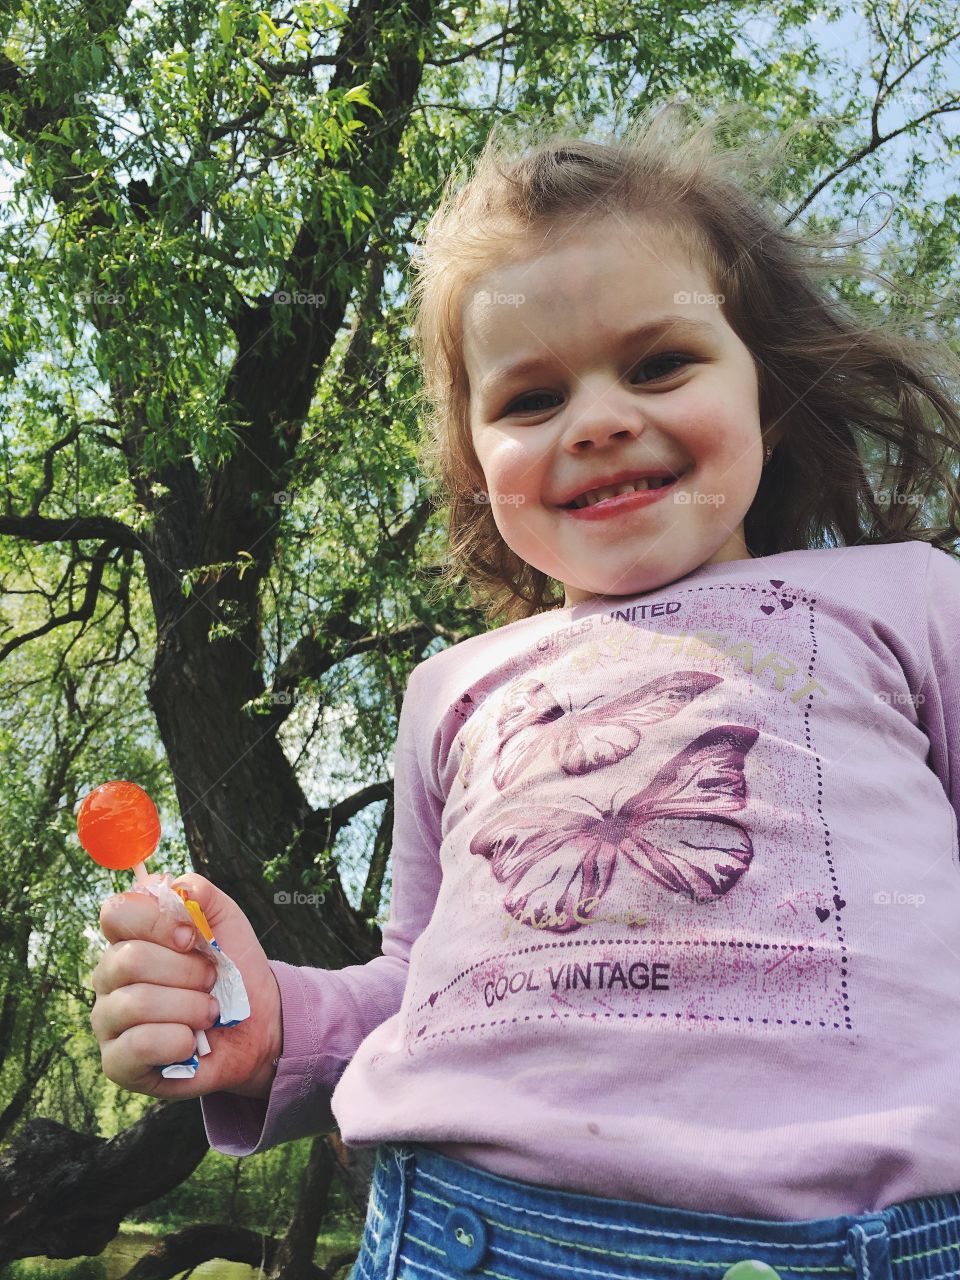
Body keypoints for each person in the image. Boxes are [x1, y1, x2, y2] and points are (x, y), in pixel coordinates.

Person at [91, 101, 960, 1280]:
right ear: (475, 459)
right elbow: (420, 984)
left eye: (659, 364)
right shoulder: (451, 687)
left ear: (764, 383)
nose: (598, 420)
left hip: (874, 1243)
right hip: (464, 1235)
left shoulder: (909, 599)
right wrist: (269, 1018)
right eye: (532, 399)